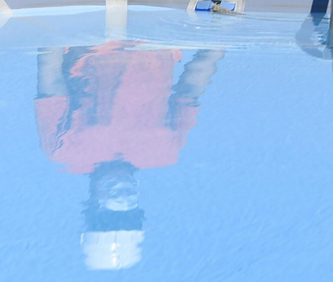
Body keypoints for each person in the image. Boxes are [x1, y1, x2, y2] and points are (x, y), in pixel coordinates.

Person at [35, 43, 222, 269]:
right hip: (157, 41)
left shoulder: (62, 151)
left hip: (94, 41)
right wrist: (217, 42)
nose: (123, 202)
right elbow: (191, 87)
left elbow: (51, 75)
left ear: (92, 208)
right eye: (131, 215)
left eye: (109, 218)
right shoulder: (167, 151)